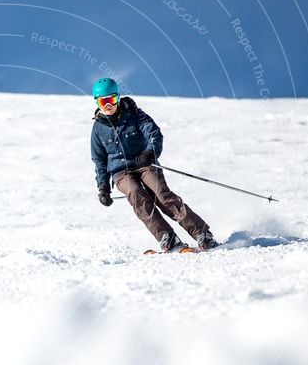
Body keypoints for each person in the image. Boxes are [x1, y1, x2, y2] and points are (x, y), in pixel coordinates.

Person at [90, 77, 219, 252]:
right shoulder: (98, 128)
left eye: (111, 100)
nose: (108, 105)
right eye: (103, 101)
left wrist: (150, 153)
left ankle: (201, 233)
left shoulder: (134, 114)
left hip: (144, 163)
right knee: (137, 195)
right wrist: (103, 188)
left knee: (162, 195)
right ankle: (167, 236)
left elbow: (154, 134)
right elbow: (99, 160)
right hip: (121, 173)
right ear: (97, 102)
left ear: (118, 98)